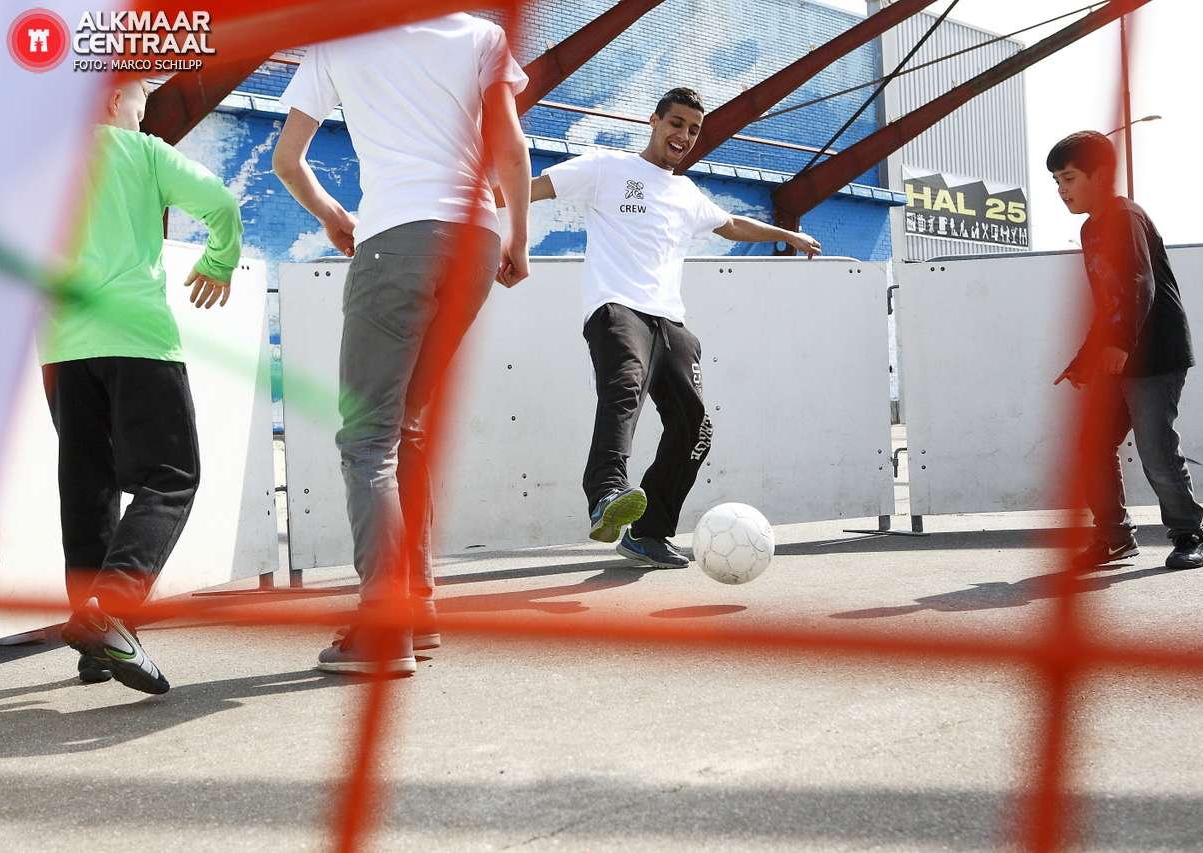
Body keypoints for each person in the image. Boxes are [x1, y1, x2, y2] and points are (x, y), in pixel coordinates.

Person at [273, 13, 531, 675]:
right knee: (408, 428)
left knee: (368, 437)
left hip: (397, 238)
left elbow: (286, 159)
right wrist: (517, 236)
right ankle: (418, 607)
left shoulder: (343, 35)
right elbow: (510, 149)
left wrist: (334, 215)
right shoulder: (481, 38)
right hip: (474, 239)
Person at [526, 87, 820, 568]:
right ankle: (606, 496)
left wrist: (786, 234)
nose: (683, 135)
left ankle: (649, 533)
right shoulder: (606, 168)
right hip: (617, 309)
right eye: (676, 123)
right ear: (654, 121)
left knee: (695, 426)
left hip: (671, 323)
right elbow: (531, 187)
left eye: (693, 130)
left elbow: (731, 225)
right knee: (624, 391)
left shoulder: (685, 193)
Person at [50, 79, 243, 694]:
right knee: (170, 479)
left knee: (90, 489)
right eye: (139, 96)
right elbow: (220, 204)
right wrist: (217, 260)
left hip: (60, 346)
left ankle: (93, 649)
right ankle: (109, 608)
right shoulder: (146, 153)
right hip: (136, 338)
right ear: (111, 101)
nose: (146, 107)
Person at [1048, 130, 1203, 570]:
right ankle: (1115, 538)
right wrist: (1086, 358)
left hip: (1156, 354)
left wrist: (1120, 342)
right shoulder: (1091, 228)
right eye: (1057, 182)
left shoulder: (1125, 217)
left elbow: (1139, 282)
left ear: (1101, 176)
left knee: (1155, 446)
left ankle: (1190, 534)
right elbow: (1107, 303)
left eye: (1069, 178)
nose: (1061, 190)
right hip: (1116, 357)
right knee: (1092, 445)